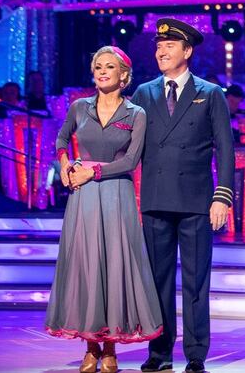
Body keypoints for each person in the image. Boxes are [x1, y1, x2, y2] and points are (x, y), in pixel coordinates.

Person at [45, 46, 162, 373]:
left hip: (116, 194)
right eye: (98, 66)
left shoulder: (136, 113)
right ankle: (90, 347)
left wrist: (92, 171)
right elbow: (61, 141)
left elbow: (130, 161)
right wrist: (67, 165)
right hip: (83, 197)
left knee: (112, 268)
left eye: (109, 67)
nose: (102, 71)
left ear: (124, 75)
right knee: (87, 266)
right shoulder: (78, 108)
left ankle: (110, 347)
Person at [131, 18, 235, 373]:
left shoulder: (210, 93)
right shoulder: (144, 92)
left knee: (195, 281)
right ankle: (159, 353)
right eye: (158, 46)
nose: (161, 50)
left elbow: (225, 148)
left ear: (187, 51)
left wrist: (222, 197)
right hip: (156, 199)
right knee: (157, 280)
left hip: (196, 201)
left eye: (170, 46)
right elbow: (129, 147)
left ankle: (195, 354)